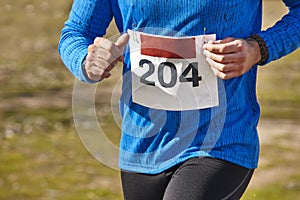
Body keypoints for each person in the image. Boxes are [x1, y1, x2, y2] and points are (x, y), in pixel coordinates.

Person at [58, 0, 300, 199]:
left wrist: (258, 48)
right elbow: (76, 33)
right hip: (142, 145)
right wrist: (86, 61)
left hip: (221, 140)